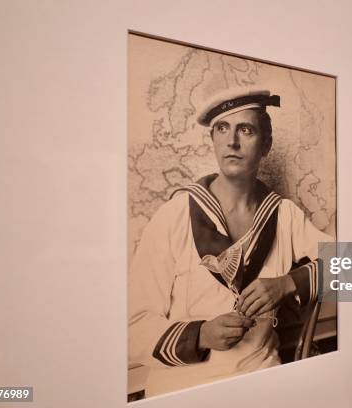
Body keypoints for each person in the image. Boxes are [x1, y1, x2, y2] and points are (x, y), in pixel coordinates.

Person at [128, 87, 330, 397]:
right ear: (212, 140)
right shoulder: (174, 216)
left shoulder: (283, 215)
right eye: (222, 128)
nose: (231, 141)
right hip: (182, 391)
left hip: (262, 386)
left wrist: (288, 283)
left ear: (266, 144)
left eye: (245, 130)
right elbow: (132, 327)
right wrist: (200, 335)